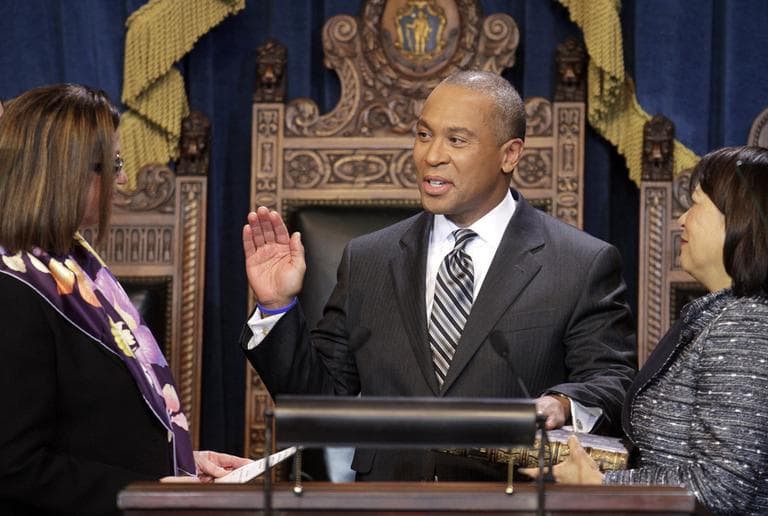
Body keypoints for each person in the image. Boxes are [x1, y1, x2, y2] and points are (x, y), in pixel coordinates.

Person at [241, 70, 637, 481]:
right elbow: (316, 404)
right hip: (388, 503)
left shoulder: (580, 262)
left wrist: (562, 403)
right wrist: (276, 307)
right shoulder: (368, 259)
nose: (431, 156)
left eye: (456, 140)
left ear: (510, 154)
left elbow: (613, 381)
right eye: (424, 135)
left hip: (512, 499)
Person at [0, 84, 250, 515]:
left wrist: (184, 468)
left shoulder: (73, 266)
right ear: (68, 171)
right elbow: (13, 465)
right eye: (114, 164)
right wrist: (143, 492)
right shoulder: (13, 289)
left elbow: (94, 427)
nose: (123, 179)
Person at [522, 146, 768, 515]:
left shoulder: (744, 325)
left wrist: (599, 485)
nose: (682, 220)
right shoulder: (721, 316)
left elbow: (721, 489)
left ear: (739, 220)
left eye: (696, 205)